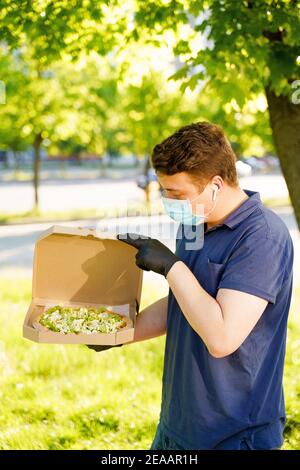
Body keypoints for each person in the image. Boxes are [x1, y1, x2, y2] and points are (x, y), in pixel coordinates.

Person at [88, 122, 294, 450]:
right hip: (179, 425)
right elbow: (183, 304)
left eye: (176, 194)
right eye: (165, 191)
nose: (168, 201)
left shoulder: (261, 237)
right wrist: (120, 332)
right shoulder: (195, 223)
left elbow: (222, 337)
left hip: (236, 434)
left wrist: (172, 266)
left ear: (215, 184)